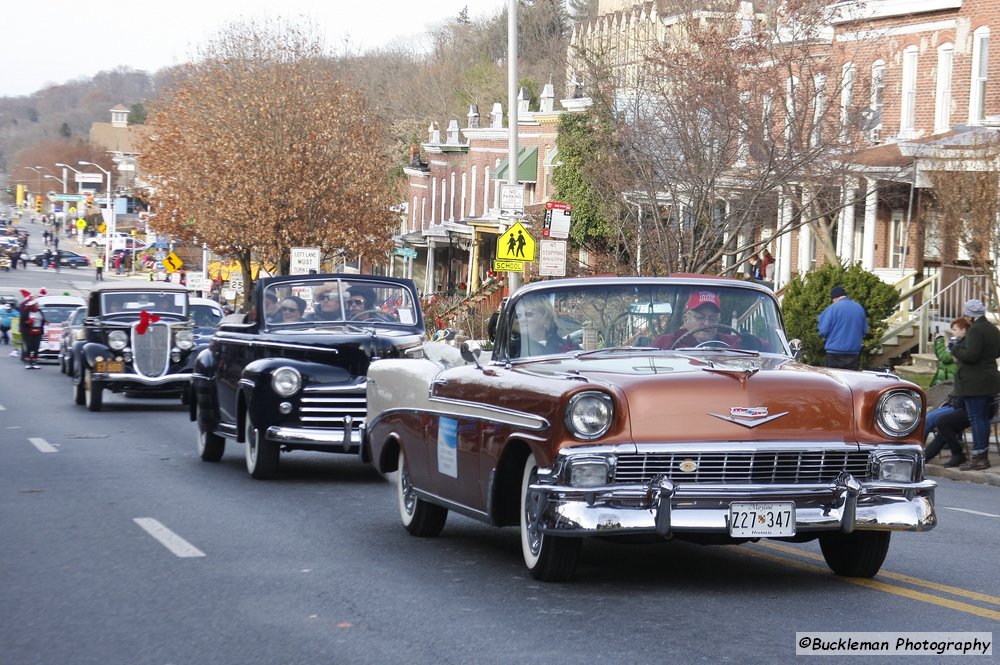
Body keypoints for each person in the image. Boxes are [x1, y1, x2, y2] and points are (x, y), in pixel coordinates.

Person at [949, 298, 1000, 471]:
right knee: (982, 418)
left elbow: (971, 355)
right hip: (989, 379)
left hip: (975, 383)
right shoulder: (992, 328)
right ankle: (981, 455)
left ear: (970, 316)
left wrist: (954, 348)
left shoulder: (976, 330)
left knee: (977, 419)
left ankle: (979, 456)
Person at [653, 291, 741, 349]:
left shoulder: (732, 343)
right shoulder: (665, 343)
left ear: (718, 321)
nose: (707, 323)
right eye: (700, 318)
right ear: (686, 320)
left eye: (712, 319)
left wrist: (750, 341)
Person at [817, 285, 868, 370]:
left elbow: (823, 330)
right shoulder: (859, 308)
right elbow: (864, 330)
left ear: (834, 298)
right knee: (850, 380)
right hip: (853, 352)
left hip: (834, 352)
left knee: (834, 380)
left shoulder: (832, 308)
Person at [513, 295, 579, 357]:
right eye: (517, 315)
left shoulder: (568, 347)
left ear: (545, 317)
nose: (521, 319)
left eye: (529, 314)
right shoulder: (510, 349)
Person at [19, 294, 44, 369]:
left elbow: (42, 319)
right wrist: (28, 322)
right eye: (36, 304)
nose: (37, 305)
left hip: (38, 331)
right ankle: (28, 362)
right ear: (32, 305)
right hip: (28, 332)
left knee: (36, 347)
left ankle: (34, 362)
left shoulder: (40, 311)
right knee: (29, 347)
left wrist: (45, 321)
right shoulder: (26, 312)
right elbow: (22, 322)